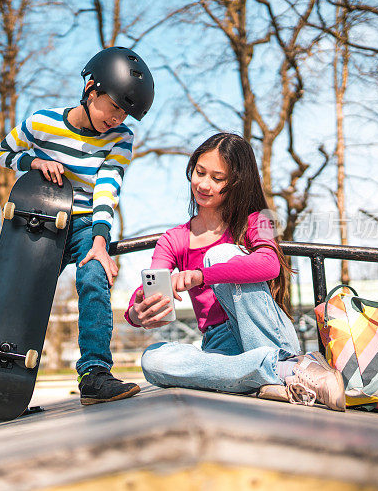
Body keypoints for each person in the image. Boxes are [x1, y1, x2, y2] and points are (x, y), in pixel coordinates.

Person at [0, 46, 156, 437]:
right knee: (10, 300)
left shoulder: (121, 137)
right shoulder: (42, 122)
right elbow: (2, 152)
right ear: (90, 89)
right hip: (41, 221)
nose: (114, 118)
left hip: (84, 224)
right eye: (111, 107)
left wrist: (100, 239)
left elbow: (108, 185)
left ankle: (95, 375)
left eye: (123, 114)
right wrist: (32, 162)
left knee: (95, 277)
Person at [126, 133, 345, 411]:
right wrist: (137, 312)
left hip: (265, 332)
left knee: (220, 255)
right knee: (153, 360)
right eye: (200, 172)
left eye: (217, 178)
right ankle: (283, 372)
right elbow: (151, 283)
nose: (203, 184)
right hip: (220, 346)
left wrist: (202, 276)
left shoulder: (261, 220)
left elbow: (269, 264)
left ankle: (272, 370)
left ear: (237, 182)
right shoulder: (174, 238)